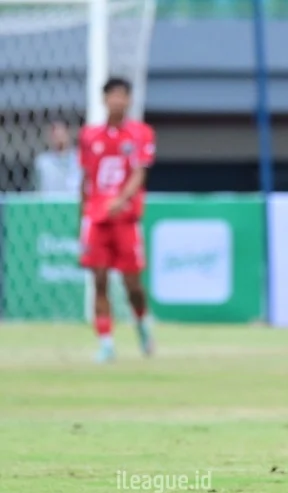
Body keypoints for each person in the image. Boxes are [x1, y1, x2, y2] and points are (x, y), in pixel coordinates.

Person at [78, 77, 156, 363]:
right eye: (113, 96)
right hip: (97, 219)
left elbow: (139, 172)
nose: (118, 101)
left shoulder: (140, 134)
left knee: (132, 284)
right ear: (104, 99)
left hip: (125, 219)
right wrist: (82, 220)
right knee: (98, 280)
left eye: (123, 96)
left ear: (129, 100)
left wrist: (121, 200)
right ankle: (106, 342)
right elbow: (85, 179)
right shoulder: (89, 136)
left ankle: (142, 322)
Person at [34, 120, 83, 196]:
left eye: (61, 131)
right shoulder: (43, 162)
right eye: (54, 132)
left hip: (73, 202)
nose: (58, 136)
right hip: (48, 203)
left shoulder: (79, 158)